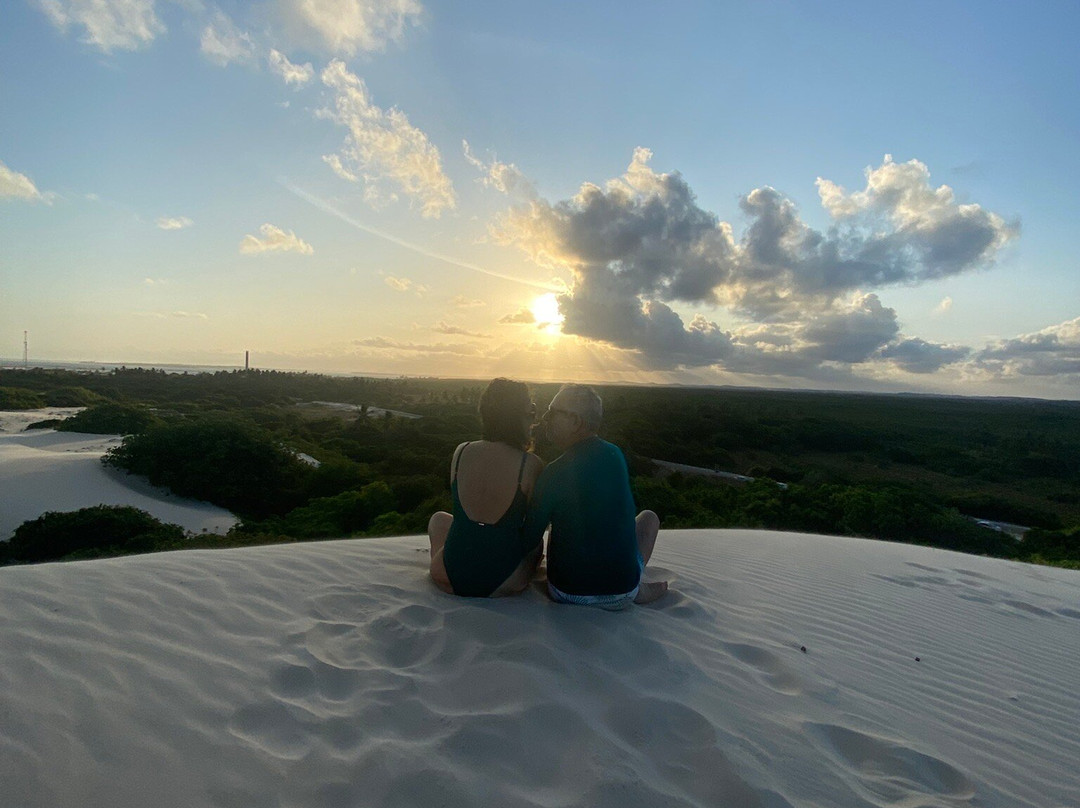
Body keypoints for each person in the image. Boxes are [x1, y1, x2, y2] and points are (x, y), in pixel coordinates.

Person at [524, 384, 667, 607]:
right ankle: (637, 588)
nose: (544, 418)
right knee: (649, 518)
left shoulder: (553, 472)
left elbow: (529, 537)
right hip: (624, 591)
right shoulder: (615, 455)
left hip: (567, 592)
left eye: (552, 412)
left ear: (575, 421)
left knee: (555, 524)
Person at [427, 378, 545, 597]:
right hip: (501, 582)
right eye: (531, 410)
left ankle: (453, 561)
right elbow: (531, 530)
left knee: (439, 519)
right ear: (518, 416)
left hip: (447, 576)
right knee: (537, 546)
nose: (533, 417)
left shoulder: (461, 451)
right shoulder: (530, 465)